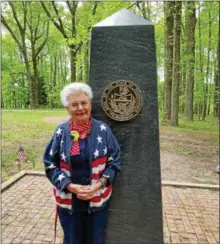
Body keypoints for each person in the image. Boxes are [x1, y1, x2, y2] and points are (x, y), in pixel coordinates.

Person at [43, 82, 121, 244]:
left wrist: (98, 185)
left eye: (84, 103)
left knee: (96, 241)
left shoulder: (103, 130)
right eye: (74, 104)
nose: (80, 108)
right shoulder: (60, 132)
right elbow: (50, 165)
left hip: (97, 201)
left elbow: (115, 162)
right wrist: (70, 186)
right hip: (69, 203)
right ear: (67, 108)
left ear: (90, 104)